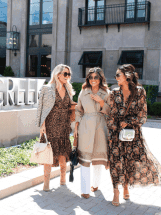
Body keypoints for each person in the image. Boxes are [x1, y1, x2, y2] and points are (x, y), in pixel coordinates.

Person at [107, 64, 161, 206]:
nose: (116, 78)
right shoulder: (114, 93)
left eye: (118, 75)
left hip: (133, 135)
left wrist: (129, 122)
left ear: (128, 76)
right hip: (115, 135)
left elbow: (143, 116)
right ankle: (116, 192)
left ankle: (125, 186)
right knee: (115, 163)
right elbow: (110, 116)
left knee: (130, 162)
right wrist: (115, 127)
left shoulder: (140, 92)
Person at [36, 64, 75, 191]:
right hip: (50, 126)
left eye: (69, 74)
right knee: (48, 154)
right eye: (65, 74)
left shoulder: (68, 89)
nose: (67, 76)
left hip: (64, 126)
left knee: (63, 154)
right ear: (58, 74)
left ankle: (63, 178)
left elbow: (70, 108)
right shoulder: (46, 89)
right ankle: (46, 182)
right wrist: (41, 125)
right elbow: (40, 108)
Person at [73, 67, 110, 199]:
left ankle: (95, 184)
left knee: (98, 159)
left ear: (101, 78)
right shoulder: (84, 92)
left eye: (96, 77)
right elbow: (78, 110)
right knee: (85, 158)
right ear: (88, 79)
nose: (93, 80)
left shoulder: (106, 92)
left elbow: (111, 111)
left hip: (101, 126)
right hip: (85, 126)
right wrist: (76, 126)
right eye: (91, 77)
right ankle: (84, 189)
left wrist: (101, 102)